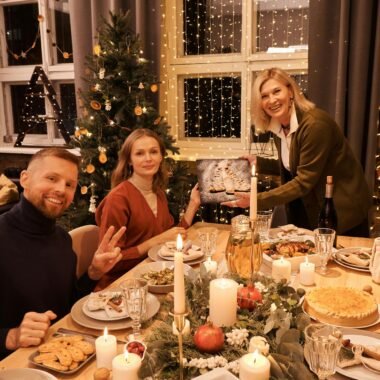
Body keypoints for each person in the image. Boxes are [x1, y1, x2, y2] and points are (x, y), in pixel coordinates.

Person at [0, 148, 126, 359]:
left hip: (62, 355)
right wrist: (11, 336)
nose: (61, 190)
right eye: (51, 178)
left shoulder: (61, 238)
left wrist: (93, 274)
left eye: (69, 184)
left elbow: (67, 306)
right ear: (25, 179)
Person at [223, 67, 371, 237]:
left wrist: (256, 200)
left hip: (342, 212)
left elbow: (303, 181)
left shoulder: (314, 125)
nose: (272, 100)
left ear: (291, 91)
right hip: (311, 209)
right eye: (264, 96)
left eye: (277, 91)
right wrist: (259, 163)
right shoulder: (280, 125)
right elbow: (294, 163)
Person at [95, 128, 201, 289]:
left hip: (155, 277)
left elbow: (170, 238)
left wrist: (193, 204)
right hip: (122, 285)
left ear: (161, 157)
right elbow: (111, 262)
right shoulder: (118, 199)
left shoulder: (158, 192)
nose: (148, 158)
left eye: (153, 152)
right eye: (139, 153)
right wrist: (156, 241)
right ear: (129, 160)